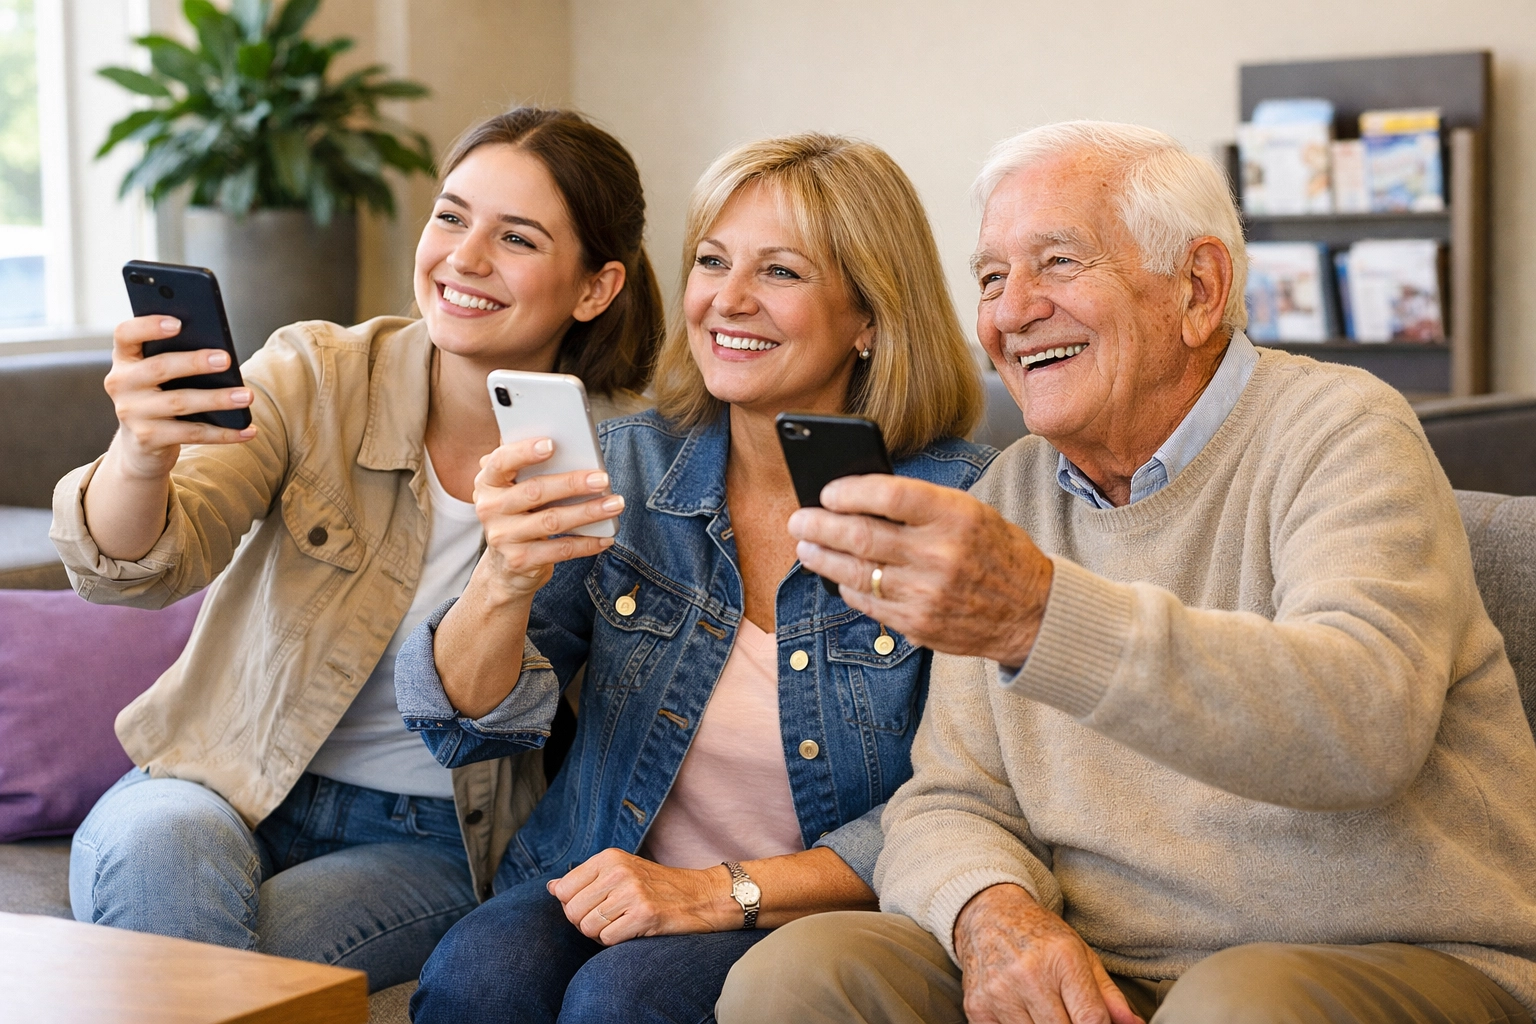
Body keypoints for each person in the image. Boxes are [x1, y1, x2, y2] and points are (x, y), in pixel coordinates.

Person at [716, 121, 1536, 1024]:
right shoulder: (1011, 491)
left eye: (1058, 263)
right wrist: (991, 913)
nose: (1010, 312)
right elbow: (949, 798)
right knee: (801, 974)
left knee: (1233, 1007)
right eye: (990, 278)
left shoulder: (1342, 430)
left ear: (1198, 288)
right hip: (1103, 964)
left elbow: (1364, 723)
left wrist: (1040, 619)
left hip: (1388, 957)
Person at [51, 107, 663, 991]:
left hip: (431, 838)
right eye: (450, 217)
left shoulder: (632, 464)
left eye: (516, 238)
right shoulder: (317, 374)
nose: (464, 257)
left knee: (216, 973)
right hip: (214, 778)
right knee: (165, 863)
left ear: (595, 288)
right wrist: (142, 454)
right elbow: (146, 565)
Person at [396, 132, 997, 1023]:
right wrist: (504, 576)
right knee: (478, 978)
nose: (729, 299)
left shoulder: (960, 508)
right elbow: (462, 732)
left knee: (620, 1001)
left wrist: (717, 892)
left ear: (869, 318)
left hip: (821, 914)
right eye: (712, 262)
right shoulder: (630, 466)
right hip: (609, 866)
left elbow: (967, 802)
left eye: (781, 271)